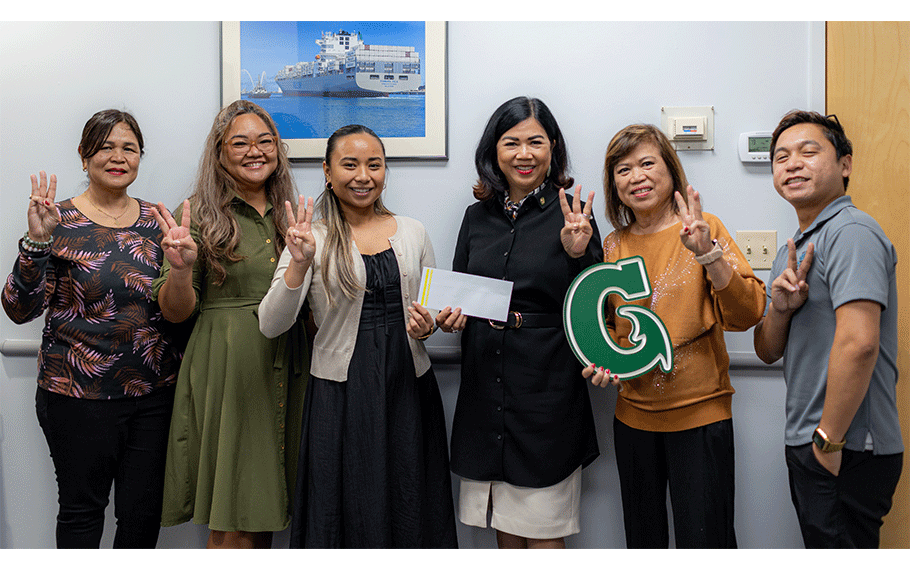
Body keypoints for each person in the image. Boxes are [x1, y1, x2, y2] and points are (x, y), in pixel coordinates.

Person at [258, 124, 457, 548]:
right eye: (349, 165)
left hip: (408, 385)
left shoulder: (413, 231)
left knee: (410, 496)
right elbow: (271, 324)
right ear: (328, 172)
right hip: (340, 392)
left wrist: (430, 323)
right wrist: (298, 264)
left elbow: (433, 306)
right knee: (346, 501)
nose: (363, 175)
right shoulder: (309, 236)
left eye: (374, 165)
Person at [1, 110, 181, 548]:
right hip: (77, 397)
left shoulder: (158, 222)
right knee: (82, 515)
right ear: (84, 156)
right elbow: (18, 310)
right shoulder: (55, 220)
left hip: (153, 395)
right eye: (105, 147)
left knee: (143, 517)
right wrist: (37, 244)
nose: (118, 157)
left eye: (129, 148)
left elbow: (175, 304)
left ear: (140, 157)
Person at [584, 124, 766, 548]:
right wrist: (599, 362)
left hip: (701, 417)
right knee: (643, 542)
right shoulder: (612, 245)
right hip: (632, 420)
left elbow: (748, 312)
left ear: (670, 169)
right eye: (623, 169)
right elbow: (608, 330)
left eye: (648, 163)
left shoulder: (706, 228)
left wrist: (708, 254)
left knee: (707, 542)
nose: (637, 177)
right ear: (614, 183)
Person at [436, 97, 601, 549]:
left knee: (543, 534)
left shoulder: (574, 213)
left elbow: (594, 306)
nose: (524, 154)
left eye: (536, 142)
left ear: (553, 149)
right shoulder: (477, 217)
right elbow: (460, 296)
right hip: (485, 388)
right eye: (512, 142)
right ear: (494, 151)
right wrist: (449, 318)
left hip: (547, 392)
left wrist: (576, 251)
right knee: (505, 534)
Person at [151, 100, 307, 549]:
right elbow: (176, 312)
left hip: (289, 363)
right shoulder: (197, 213)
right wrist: (180, 269)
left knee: (267, 508)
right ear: (219, 153)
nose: (255, 151)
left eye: (265, 141)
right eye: (240, 143)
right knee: (236, 513)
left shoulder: (292, 213)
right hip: (230, 368)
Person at [753, 110, 902, 548]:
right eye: (781, 157)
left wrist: (828, 444)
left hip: (846, 445)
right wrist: (780, 309)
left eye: (808, 151)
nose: (792, 163)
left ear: (845, 165)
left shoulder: (851, 232)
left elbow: (859, 344)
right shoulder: (793, 249)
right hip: (816, 441)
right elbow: (766, 349)